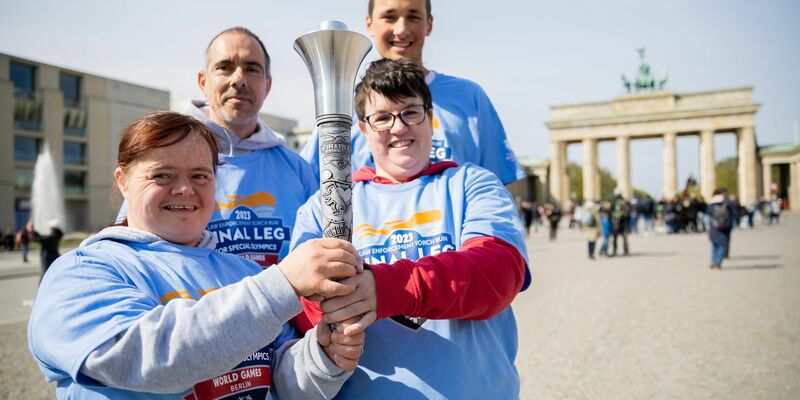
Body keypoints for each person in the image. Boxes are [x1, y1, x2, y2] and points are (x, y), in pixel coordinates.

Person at [28, 111, 364, 399]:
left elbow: (278, 380)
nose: (185, 189)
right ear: (123, 181)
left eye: (200, 175)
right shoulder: (81, 273)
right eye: (162, 175)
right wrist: (283, 284)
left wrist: (321, 358)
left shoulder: (242, 272)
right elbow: (157, 359)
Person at [292, 58, 530, 399]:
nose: (398, 127)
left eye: (410, 113)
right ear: (363, 129)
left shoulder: (473, 184)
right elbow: (302, 308)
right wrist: (327, 311)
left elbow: (498, 274)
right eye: (382, 118)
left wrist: (381, 289)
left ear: (431, 118)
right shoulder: (321, 208)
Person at [119, 27, 318, 267]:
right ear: (203, 81)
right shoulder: (160, 159)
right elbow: (132, 250)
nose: (238, 79)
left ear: (268, 86)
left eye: (252, 68)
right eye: (225, 67)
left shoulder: (297, 170)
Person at [300, 0, 526, 186]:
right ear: (369, 24)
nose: (401, 29)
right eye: (389, 17)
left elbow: (497, 186)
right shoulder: (343, 106)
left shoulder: (469, 97)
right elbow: (308, 180)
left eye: (413, 16)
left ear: (429, 24)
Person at [706, 188, 735, 269]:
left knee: (714, 244)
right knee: (723, 244)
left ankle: (713, 260)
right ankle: (718, 262)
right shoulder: (727, 202)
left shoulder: (712, 202)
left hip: (714, 226)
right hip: (725, 226)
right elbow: (733, 212)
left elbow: (708, 213)